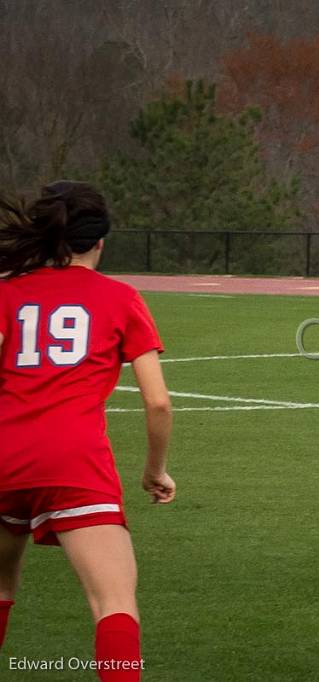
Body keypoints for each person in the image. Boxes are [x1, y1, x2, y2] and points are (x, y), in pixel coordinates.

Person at [0, 182, 174, 680]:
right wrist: (154, 472)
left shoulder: (7, 292)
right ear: (101, 240)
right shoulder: (120, 298)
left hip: (5, 456)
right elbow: (158, 402)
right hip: (74, 462)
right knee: (113, 602)